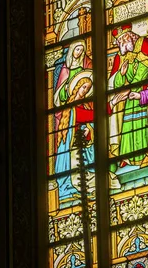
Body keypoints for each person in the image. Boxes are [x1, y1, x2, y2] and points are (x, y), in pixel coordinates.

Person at [107, 25, 148, 168]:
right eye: (120, 40)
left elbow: (146, 70)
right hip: (129, 99)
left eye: (124, 38)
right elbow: (115, 83)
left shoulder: (145, 45)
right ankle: (127, 157)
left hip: (143, 94)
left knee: (142, 125)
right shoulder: (120, 56)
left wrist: (131, 91)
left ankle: (145, 155)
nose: (123, 42)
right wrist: (121, 75)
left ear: (131, 36)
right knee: (128, 126)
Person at [54, 71, 94, 200]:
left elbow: (88, 120)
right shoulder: (71, 107)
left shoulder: (85, 105)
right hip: (71, 147)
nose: (85, 91)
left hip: (81, 144)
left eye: (87, 89)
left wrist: (88, 128)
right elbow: (87, 116)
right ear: (77, 86)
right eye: (83, 87)